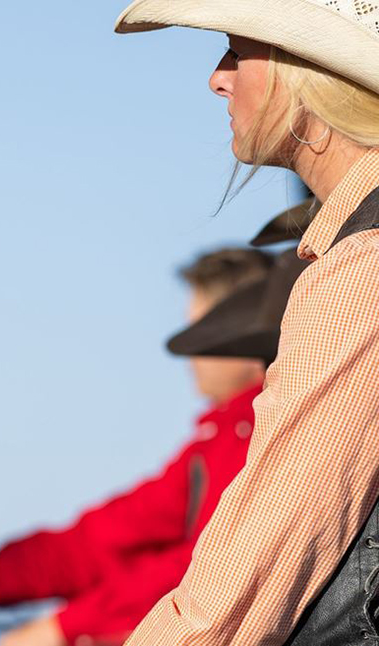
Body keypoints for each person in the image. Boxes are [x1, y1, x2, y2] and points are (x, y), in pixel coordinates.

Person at [113, 2, 379, 643]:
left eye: (238, 50)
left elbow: (243, 585)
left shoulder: (362, 271)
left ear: (309, 74)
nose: (218, 77)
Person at [0, 248, 272, 646]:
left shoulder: (259, 432)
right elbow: (91, 547)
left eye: (202, 331)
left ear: (251, 332)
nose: (190, 355)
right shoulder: (216, 442)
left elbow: (214, 566)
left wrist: (63, 628)